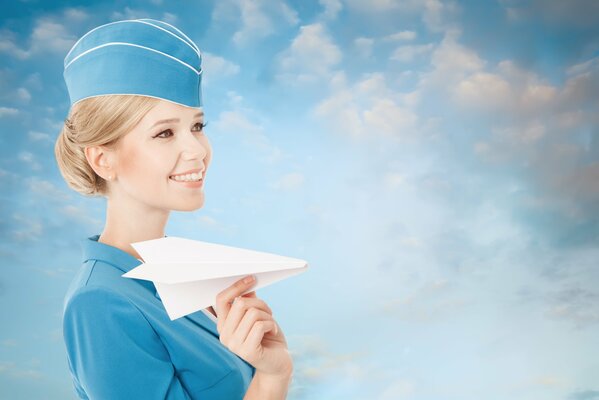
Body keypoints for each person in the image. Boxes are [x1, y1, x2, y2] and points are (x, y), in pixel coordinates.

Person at [55, 18, 293, 399]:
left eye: (197, 126)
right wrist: (269, 379)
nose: (197, 150)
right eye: (165, 133)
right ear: (102, 159)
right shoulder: (100, 304)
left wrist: (276, 371)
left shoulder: (178, 280)